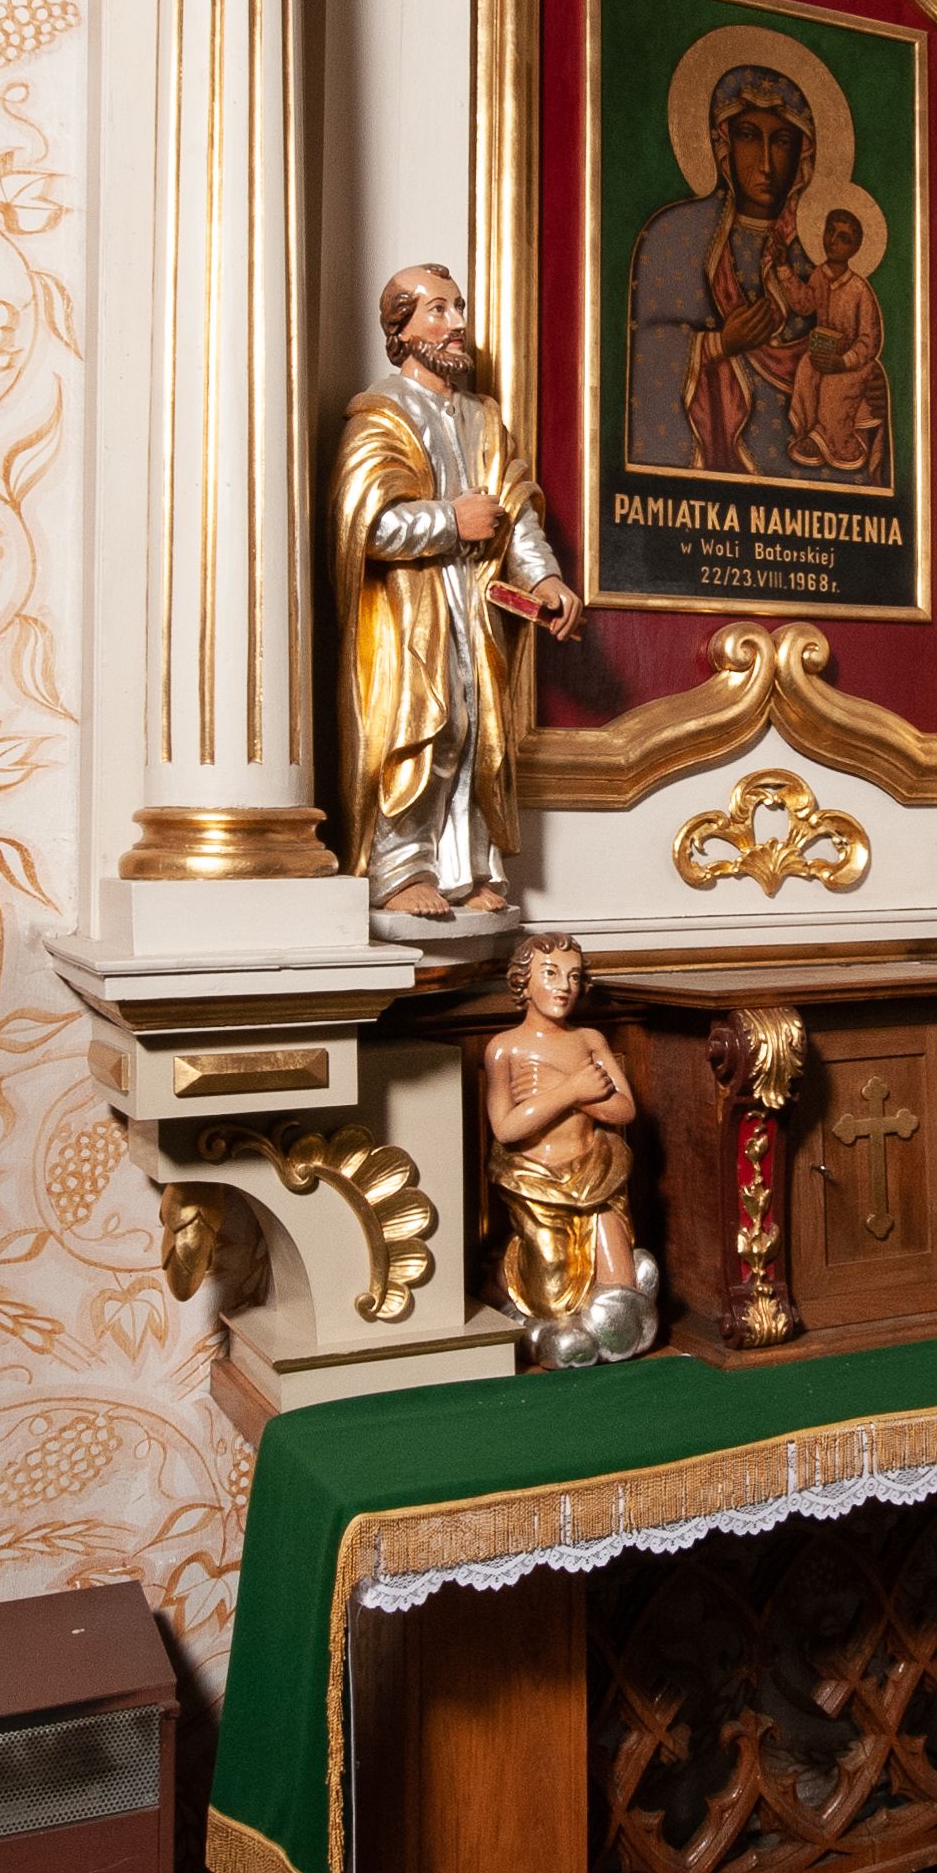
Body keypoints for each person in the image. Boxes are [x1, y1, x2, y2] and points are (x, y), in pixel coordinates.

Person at [329, 263, 580, 920]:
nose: (457, 323)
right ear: (402, 328)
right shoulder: (379, 414)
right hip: (410, 610)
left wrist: (544, 577)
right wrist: (450, 520)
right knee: (421, 730)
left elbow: (515, 509)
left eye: (458, 307)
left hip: (477, 606)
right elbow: (364, 525)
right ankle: (399, 868)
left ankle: (465, 870)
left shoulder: (483, 418)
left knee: (476, 734)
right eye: (438, 310)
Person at [627, 65, 821, 475]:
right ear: (723, 144)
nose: (766, 163)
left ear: (803, 153)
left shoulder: (820, 248)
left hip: (803, 464)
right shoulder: (675, 234)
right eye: (749, 136)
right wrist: (718, 344)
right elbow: (640, 354)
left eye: (781, 141)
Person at [484, 934, 658, 1368]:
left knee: (619, 1288)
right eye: (550, 974)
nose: (564, 986)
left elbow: (624, 1109)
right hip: (538, 1182)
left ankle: (618, 1310)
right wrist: (571, 1090)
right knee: (552, 1299)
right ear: (523, 982)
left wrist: (578, 1094)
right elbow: (505, 1129)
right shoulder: (505, 1047)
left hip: (596, 1174)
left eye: (574, 977)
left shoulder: (589, 1040)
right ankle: (501, 1280)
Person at [777, 208, 890, 481]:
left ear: (855, 248)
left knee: (834, 384)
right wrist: (784, 269)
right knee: (806, 368)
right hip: (824, 354)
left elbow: (869, 340)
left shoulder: (859, 290)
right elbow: (805, 304)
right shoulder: (819, 276)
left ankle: (832, 442)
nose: (833, 241)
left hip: (853, 364)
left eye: (843, 238)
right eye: (830, 231)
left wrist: (844, 361)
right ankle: (808, 431)